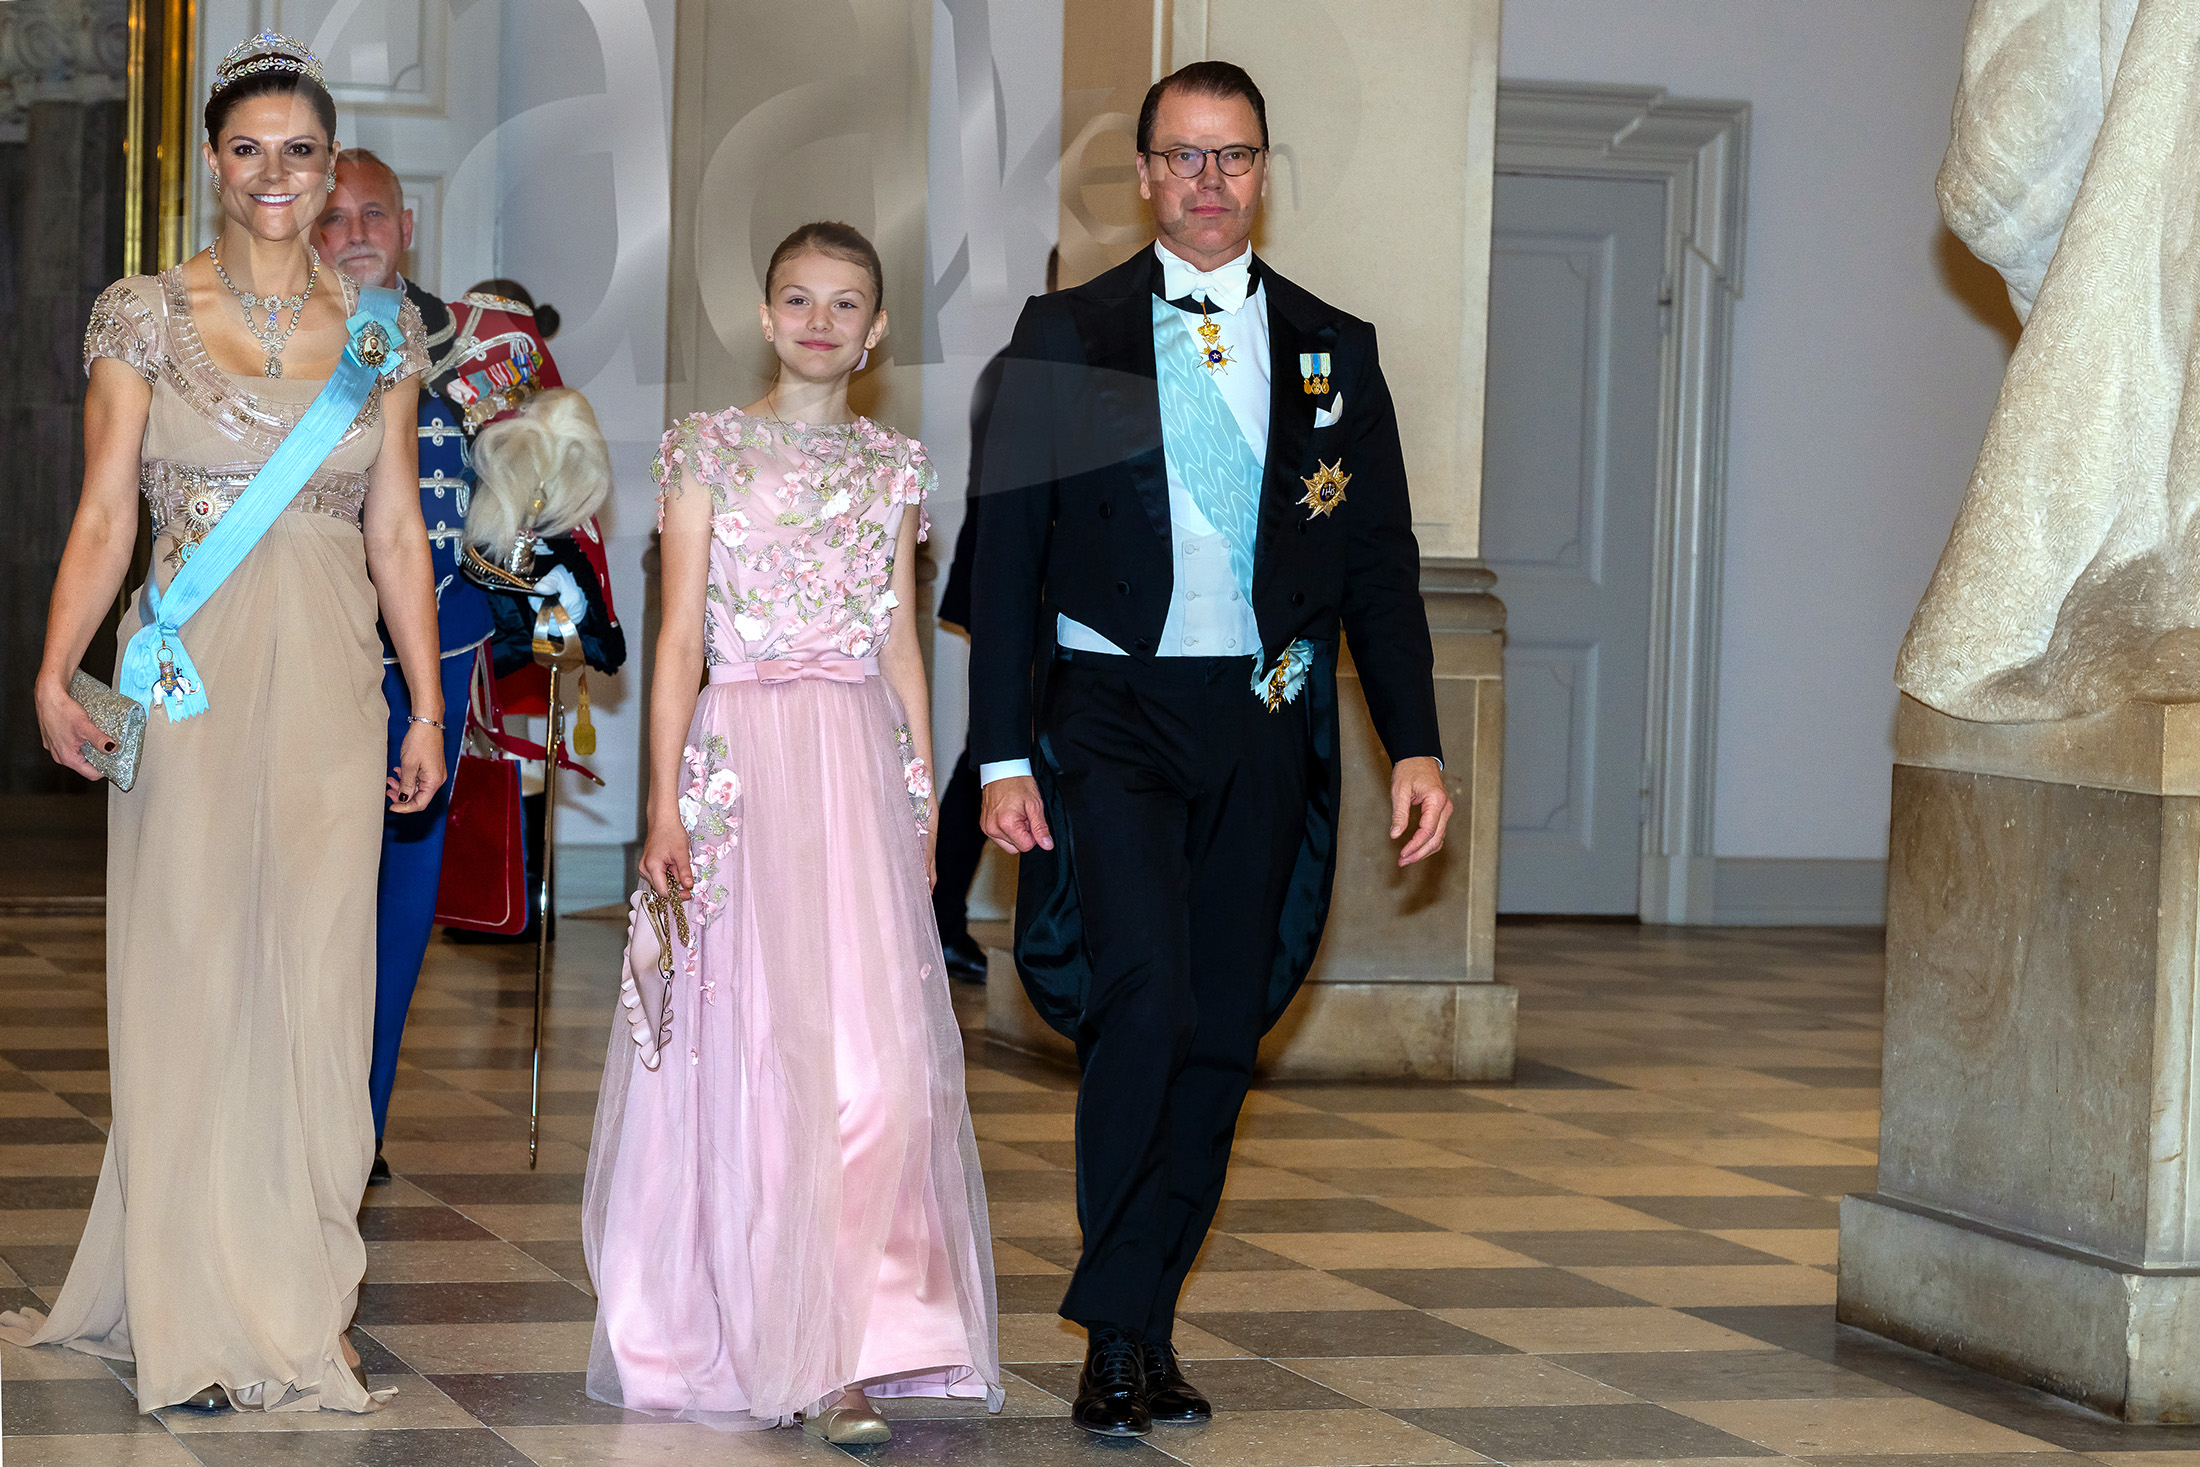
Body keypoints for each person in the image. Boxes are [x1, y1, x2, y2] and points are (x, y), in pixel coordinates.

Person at [969, 61, 1453, 1438]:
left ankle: (1145, 1318)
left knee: (1221, 1026)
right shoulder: (1066, 333)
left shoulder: (1332, 346)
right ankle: (1116, 1332)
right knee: (1146, 998)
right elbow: (1007, 562)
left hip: (1264, 714)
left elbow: (1380, 563)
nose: (1208, 181)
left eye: (1232, 156)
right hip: (1110, 713)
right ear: (1142, 176)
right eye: (1182, 156)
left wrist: (1414, 743)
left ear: (1263, 172)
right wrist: (1000, 754)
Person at [0, 32, 444, 1414]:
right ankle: (188, 1296)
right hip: (185, 674)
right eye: (248, 148)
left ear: (330, 166)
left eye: (298, 150)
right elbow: (104, 511)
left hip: (333, 683)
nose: (274, 173)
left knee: (320, 976)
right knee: (190, 964)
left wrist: (428, 705)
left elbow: (395, 531)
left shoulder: (381, 332)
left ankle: (298, 1291)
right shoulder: (142, 314)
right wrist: (56, 668)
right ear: (212, 161)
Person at [582, 222, 1001, 1442]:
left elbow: (899, 642)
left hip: (856, 764)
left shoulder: (896, 467)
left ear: (877, 331)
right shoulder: (706, 448)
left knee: (880, 1072)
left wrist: (920, 795)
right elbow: (677, 640)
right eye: (799, 299)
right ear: (766, 317)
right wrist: (662, 802)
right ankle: (796, 1346)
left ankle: (865, 1331)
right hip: (742, 765)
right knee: (760, 1052)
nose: (821, 321)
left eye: (845, 302)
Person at [315, 148, 491, 1179]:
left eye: (373, 214)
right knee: (307, 887)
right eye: (333, 219)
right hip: (316, 644)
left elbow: (536, 489)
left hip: (437, 655)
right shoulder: (279, 339)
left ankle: (362, 1126)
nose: (355, 236)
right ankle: (297, 1111)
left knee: (401, 900)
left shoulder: (473, 346)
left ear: (408, 223)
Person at [931, 248, 1061, 983]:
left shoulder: (1022, 364)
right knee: (993, 754)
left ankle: (941, 916)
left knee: (990, 752)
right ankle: (940, 916)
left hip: (1021, 592)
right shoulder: (1029, 369)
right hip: (1021, 595)